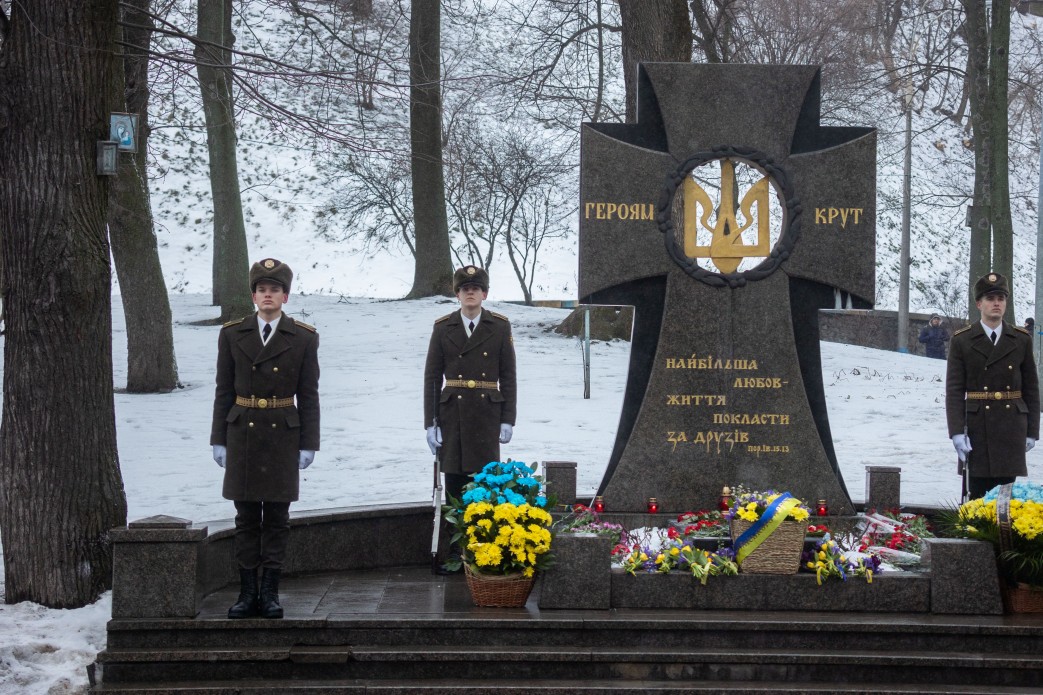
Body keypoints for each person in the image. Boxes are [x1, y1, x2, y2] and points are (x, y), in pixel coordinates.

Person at [210, 258, 320, 619]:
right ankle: (247, 593)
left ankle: (270, 593)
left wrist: (309, 443)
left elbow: (309, 395)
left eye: (274, 290)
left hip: (282, 435)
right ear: (253, 296)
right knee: (245, 517)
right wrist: (218, 438)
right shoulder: (232, 334)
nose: (267, 295)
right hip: (242, 432)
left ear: (285, 296)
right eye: (261, 290)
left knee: (276, 517)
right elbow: (223, 390)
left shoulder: (303, 337)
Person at [423, 266, 517, 567]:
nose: (471, 293)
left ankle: (484, 552)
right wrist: (430, 423)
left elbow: (509, 376)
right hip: (453, 415)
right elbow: (431, 378)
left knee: (484, 483)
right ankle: (456, 553)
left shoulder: (499, 326)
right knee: (453, 484)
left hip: (487, 415)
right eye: (465, 289)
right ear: (457, 294)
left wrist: (508, 418)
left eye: (476, 288)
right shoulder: (443, 327)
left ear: (485, 294)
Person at [946, 272, 1039, 499]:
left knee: (1006, 501)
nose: (996, 303)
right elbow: (954, 391)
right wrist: (956, 432)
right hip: (977, 427)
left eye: (1001, 298)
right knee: (976, 498)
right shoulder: (962, 340)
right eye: (990, 298)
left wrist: (1032, 432)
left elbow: (1031, 389)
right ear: (979, 304)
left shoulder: (1021, 339)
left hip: (1011, 426)